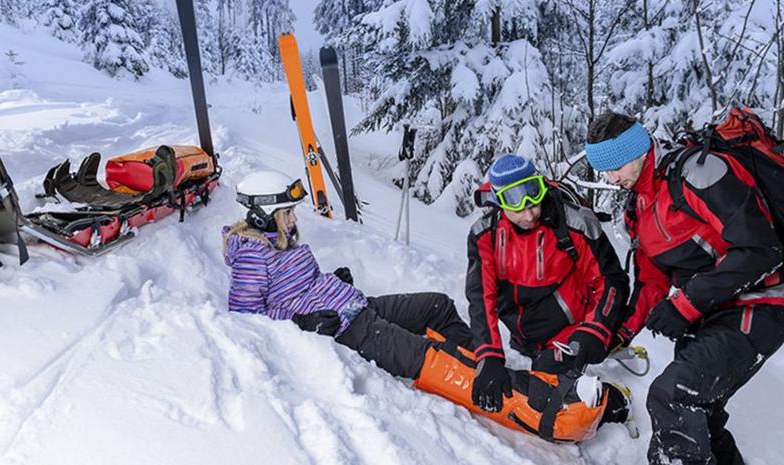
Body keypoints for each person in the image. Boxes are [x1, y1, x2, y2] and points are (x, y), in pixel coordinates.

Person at [224, 169, 632, 443]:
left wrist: (329, 282)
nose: (293, 219)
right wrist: (304, 320)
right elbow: (245, 317)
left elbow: (296, 285)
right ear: (261, 216)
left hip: (357, 305)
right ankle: (562, 410)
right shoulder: (250, 256)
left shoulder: (281, 242)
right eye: (286, 213)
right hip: (348, 329)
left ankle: (488, 365)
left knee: (436, 307)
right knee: (437, 359)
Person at [585, 112, 784, 465]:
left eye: (616, 165)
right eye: (604, 170)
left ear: (638, 150)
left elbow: (762, 250)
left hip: (761, 304)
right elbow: (652, 282)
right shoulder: (638, 207)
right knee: (703, 418)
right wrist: (616, 336)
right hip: (708, 316)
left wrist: (684, 305)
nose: (611, 178)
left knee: (674, 396)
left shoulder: (697, 174)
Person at [466, 154, 629, 414]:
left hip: (570, 334)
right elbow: (481, 297)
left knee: (548, 399)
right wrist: (489, 355)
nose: (530, 214)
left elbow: (610, 281)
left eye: (535, 201)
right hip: (522, 336)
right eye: (517, 207)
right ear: (499, 202)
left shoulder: (576, 223)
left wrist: (595, 330)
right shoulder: (485, 235)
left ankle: (616, 401)